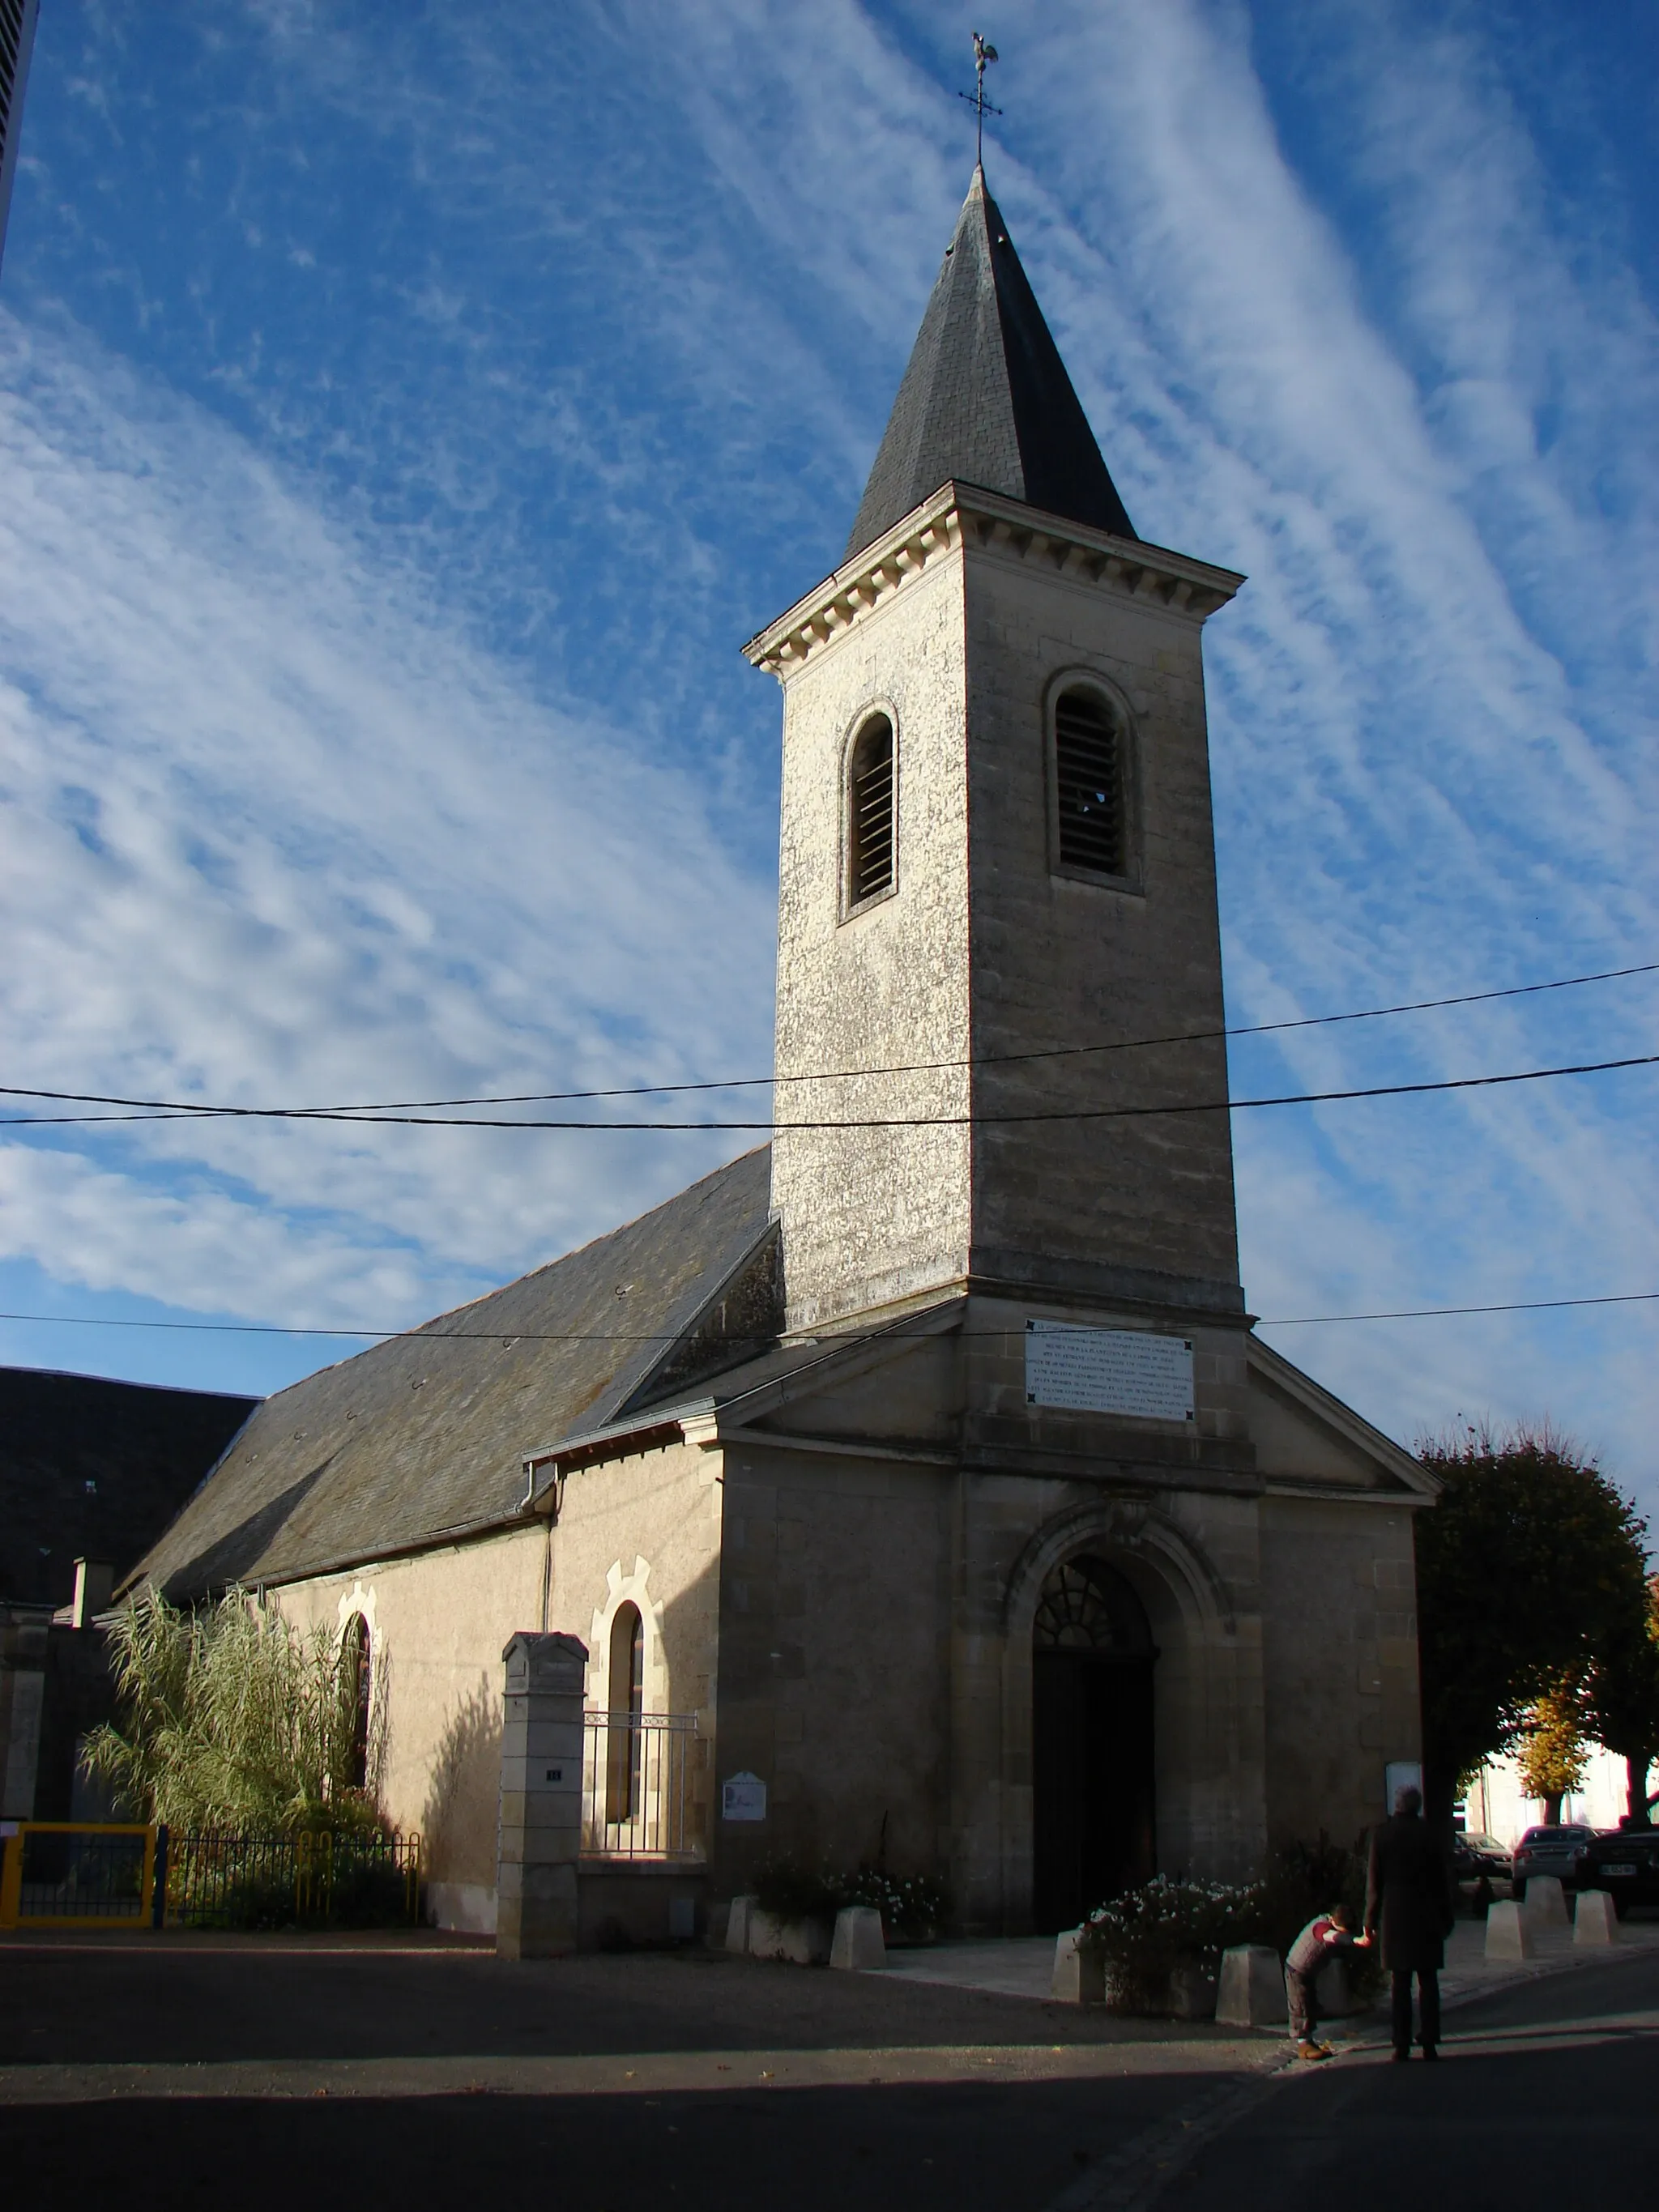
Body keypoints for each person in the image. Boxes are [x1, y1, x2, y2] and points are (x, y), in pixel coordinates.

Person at [1366, 1783, 1456, 2061]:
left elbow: (1375, 1883)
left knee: (1400, 1983)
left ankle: (1401, 2042)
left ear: (1396, 1806)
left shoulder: (1382, 1835)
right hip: (1428, 1914)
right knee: (1428, 1982)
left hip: (1396, 1917)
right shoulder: (1429, 1834)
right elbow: (1443, 1879)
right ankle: (1429, 2040)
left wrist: (1370, 1917)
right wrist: (1446, 1916)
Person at [1285, 1902, 1371, 2060]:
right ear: (1333, 1922)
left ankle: (1309, 2041)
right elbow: (1330, 1936)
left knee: (1310, 2005)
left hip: (1309, 1972)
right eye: (1342, 1932)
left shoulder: (1332, 1923)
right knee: (1300, 2006)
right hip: (1296, 1970)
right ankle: (1303, 2045)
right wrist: (1355, 1941)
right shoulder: (1321, 1927)